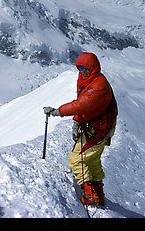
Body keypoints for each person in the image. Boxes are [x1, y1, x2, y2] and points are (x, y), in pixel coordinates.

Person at [43, 52, 118, 207]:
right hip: (98, 125)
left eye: (85, 67)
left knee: (76, 159)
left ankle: (91, 196)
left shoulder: (99, 86)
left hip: (99, 129)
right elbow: (81, 102)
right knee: (92, 159)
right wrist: (77, 122)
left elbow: (81, 105)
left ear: (93, 67)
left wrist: (57, 111)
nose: (82, 71)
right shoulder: (86, 80)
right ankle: (98, 192)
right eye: (79, 67)